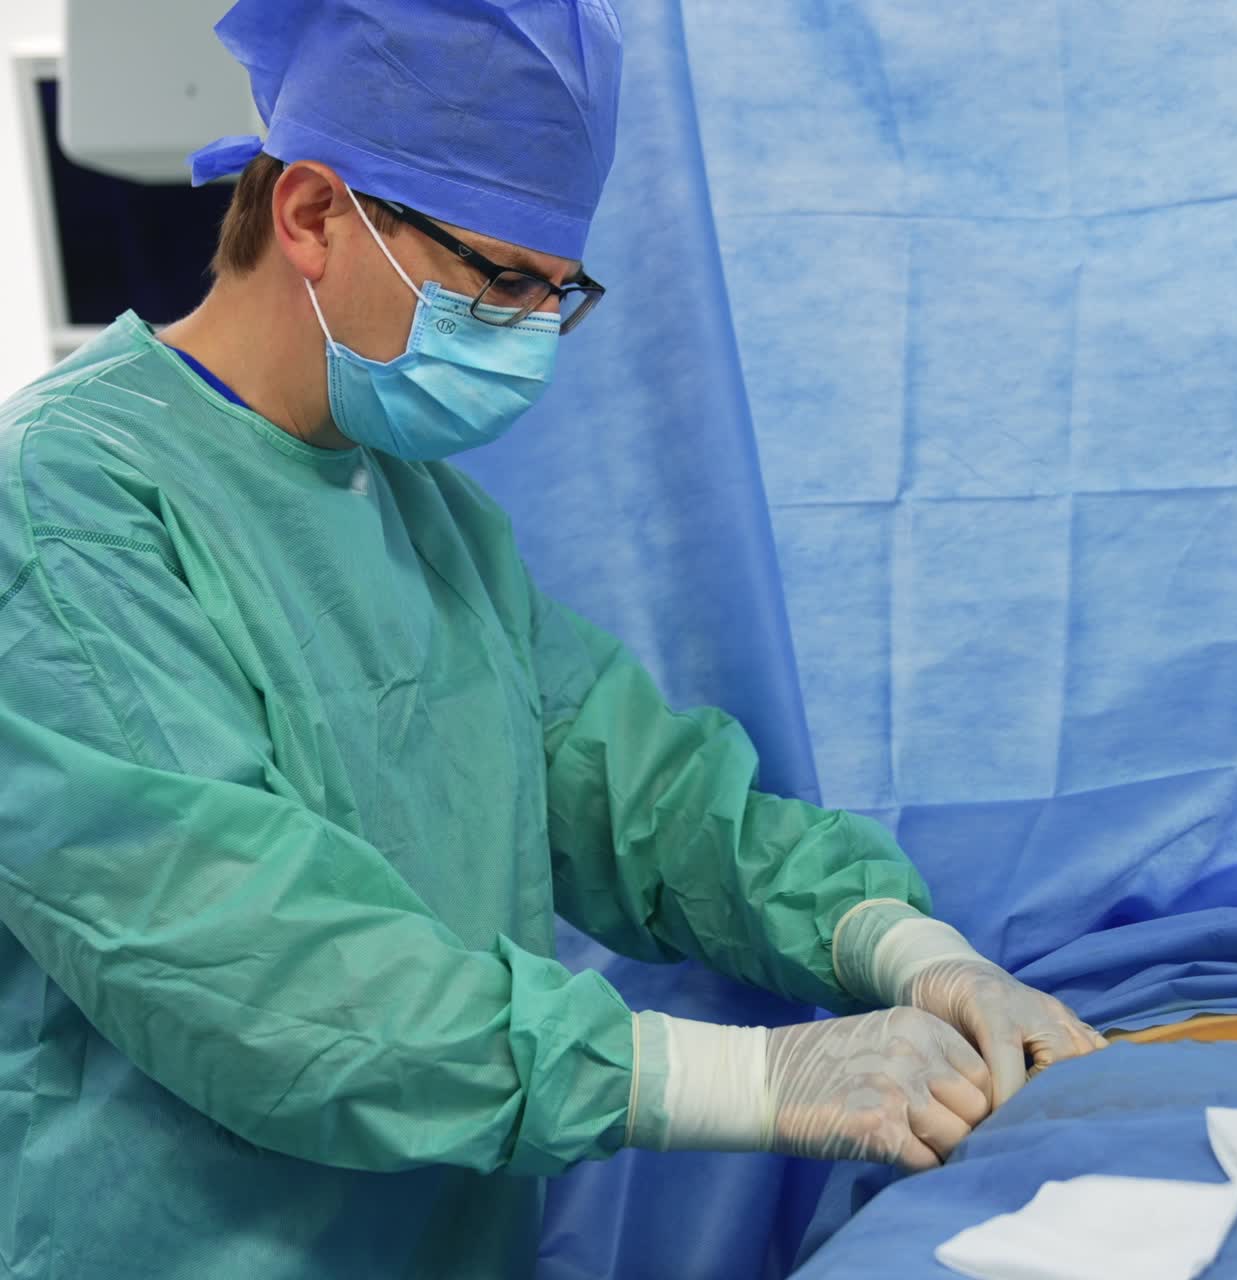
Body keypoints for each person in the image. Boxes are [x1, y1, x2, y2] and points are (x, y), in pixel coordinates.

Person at [0, 2, 1106, 1276]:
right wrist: (743, 1077)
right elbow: (255, 966)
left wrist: (901, 945)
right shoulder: (66, 501)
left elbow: (641, 793)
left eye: (555, 292)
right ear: (309, 215)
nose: (527, 332)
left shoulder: (427, 516)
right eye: (497, 280)